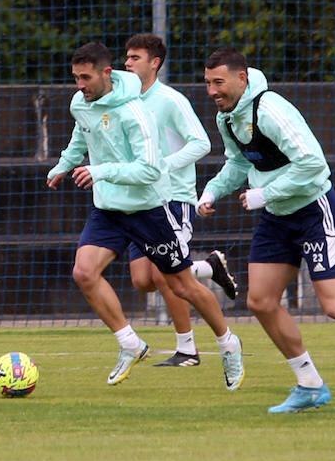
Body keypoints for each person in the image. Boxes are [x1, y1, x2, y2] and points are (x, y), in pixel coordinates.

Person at [198, 49, 335, 414]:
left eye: (218, 83)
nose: (212, 91)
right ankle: (310, 384)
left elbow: (314, 165)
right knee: (260, 301)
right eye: (207, 83)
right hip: (276, 217)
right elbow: (237, 163)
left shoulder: (269, 110)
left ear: (242, 79)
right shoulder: (228, 118)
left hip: (315, 211)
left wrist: (265, 193)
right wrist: (211, 191)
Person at [47, 42, 245, 390]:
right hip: (108, 209)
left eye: (86, 77)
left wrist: (101, 171)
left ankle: (229, 343)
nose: (80, 85)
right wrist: (64, 165)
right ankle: (130, 343)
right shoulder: (81, 102)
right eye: (76, 77)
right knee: (84, 271)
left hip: (146, 209)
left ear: (106, 74)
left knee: (181, 284)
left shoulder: (134, 112)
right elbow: (82, 134)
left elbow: (150, 170)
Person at [123, 33, 239, 367]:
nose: (127, 64)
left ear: (154, 63)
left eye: (135, 58)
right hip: (140, 200)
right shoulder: (125, 102)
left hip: (173, 197)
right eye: (127, 58)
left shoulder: (170, 100)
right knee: (142, 281)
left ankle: (187, 349)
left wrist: (164, 167)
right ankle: (209, 267)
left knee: (164, 275)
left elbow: (201, 143)